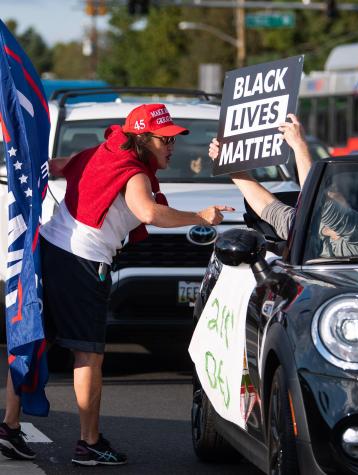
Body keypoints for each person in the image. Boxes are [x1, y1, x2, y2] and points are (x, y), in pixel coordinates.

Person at [0, 103, 234, 466]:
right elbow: (149, 213)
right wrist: (201, 215)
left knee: (34, 337)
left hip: (49, 249)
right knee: (88, 353)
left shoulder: (99, 151)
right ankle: (88, 443)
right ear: (142, 139)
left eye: (172, 139)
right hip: (81, 262)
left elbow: (56, 167)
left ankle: (9, 428)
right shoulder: (134, 173)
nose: (172, 146)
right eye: (164, 139)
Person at [209, 113, 358, 258]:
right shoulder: (306, 226)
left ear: (351, 199)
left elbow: (319, 202)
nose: (325, 194)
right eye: (326, 189)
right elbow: (269, 208)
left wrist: (299, 145)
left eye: (330, 190)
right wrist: (229, 165)